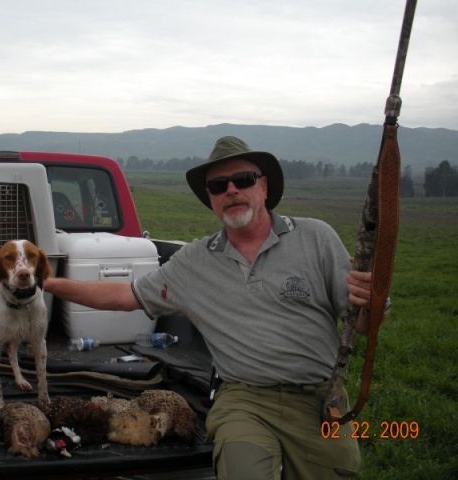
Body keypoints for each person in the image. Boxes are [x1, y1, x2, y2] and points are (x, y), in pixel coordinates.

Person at [44, 136, 381, 479]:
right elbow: (123, 295)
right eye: (219, 185)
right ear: (211, 198)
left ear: (263, 187)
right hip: (245, 401)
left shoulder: (316, 238)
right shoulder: (194, 262)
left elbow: (365, 324)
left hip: (320, 401)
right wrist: (47, 282)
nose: (231, 190)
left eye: (243, 180)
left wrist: (371, 300)